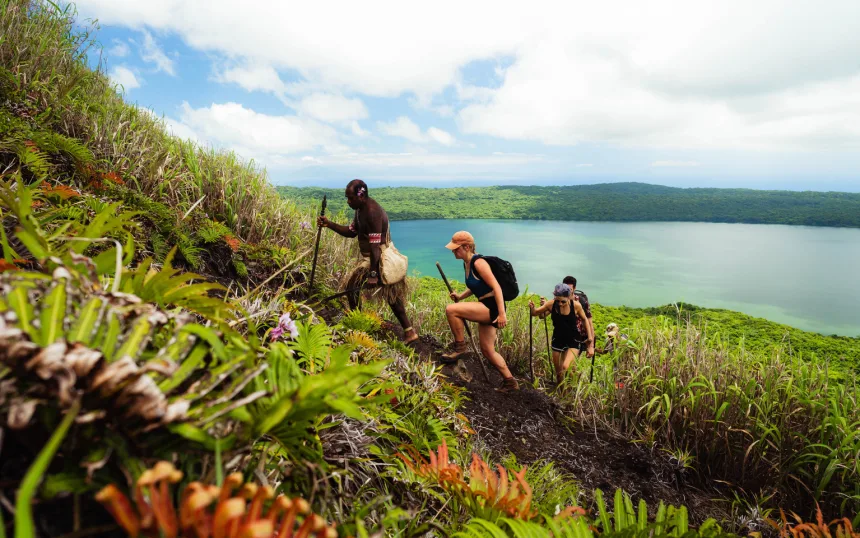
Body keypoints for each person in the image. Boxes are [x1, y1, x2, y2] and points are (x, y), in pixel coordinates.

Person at [317, 179, 419, 345]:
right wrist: (329, 224)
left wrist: (373, 273)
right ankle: (362, 324)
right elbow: (351, 233)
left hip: (380, 257)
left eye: (350, 198)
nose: (348, 202)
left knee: (387, 294)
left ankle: (363, 327)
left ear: (361, 196)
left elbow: (375, 247)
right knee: (360, 290)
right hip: (371, 257)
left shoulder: (372, 212)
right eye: (347, 198)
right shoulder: (360, 210)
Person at [439, 231, 518, 392]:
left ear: (467, 247)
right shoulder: (467, 263)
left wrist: (502, 314)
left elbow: (496, 287)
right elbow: (475, 285)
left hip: (492, 307)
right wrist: (460, 296)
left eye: (456, 248)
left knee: (451, 310)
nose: (453, 251)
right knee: (488, 350)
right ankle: (510, 381)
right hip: (486, 305)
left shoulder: (479, 263)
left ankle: (460, 348)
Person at [529, 283, 594, 385]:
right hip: (558, 339)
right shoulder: (551, 304)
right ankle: (562, 394)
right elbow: (535, 313)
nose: (560, 304)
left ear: (569, 297)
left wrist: (590, 338)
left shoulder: (576, 306)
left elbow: (585, 319)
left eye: (563, 301)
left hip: (573, 339)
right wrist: (532, 308)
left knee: (566, 367)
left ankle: (574, 386)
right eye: (557, 300)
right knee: (559, 374)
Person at [562, 276, 595, 358]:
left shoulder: (582, 302)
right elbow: (543, 315)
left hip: (577, 339)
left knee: (570, 366)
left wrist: (591, 346)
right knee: (562, 367)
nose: (567, 292)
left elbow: (589, 323)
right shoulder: (559, 300)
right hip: (562, 337)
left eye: (570, 289)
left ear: (574, 288)